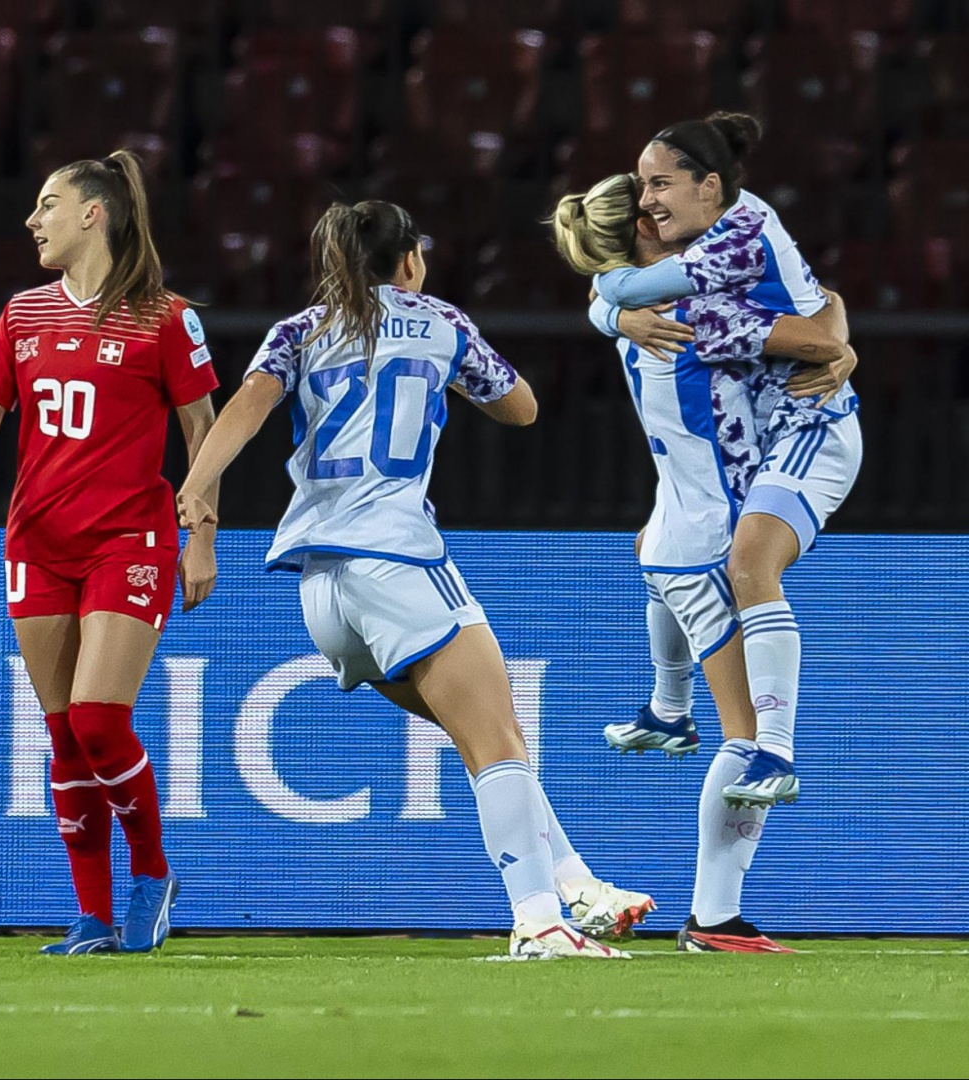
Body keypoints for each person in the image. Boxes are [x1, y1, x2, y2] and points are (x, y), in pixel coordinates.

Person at [177, 199, 653, 959]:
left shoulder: (297, 330)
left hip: (319, 586)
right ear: (408, 261)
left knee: (484, 733)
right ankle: (538, 919)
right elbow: (522, 408)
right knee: (496, 737)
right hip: (395, 558)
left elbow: (245, 409)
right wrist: (445, 379)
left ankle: (578, 885)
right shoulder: (440, 322)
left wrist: (198, 497)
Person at [0, 150, 220, 955]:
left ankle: (152, 874)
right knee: (64, 734)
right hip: (36, 541)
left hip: (128, 538)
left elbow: (202, 431)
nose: (31, 220)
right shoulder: (23, 314)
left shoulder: (165, 316)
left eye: (47, 204)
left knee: (102, 719)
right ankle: (94, 915)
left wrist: (201, 534)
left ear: (93, 214)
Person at [552, 172, 855, 951]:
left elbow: (810, 302)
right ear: (646, 242)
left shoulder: (636, 313)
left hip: (673, 536)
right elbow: (820, 336)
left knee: (720, 717)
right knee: (748, 733)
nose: (672, 212)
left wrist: (606, 308)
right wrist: (841, 349)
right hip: (703, 549)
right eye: (655, 210)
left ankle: (665, 708)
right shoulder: (694, 311)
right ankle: (715, 918)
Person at [592, 114, 862, 810]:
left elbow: (818, 335)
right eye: (642, 188)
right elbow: (822, 299)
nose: (650, 198)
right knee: (651, 545)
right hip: (763, 437)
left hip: (812, 424)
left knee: (748, 565)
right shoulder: (714, 246)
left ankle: (772, 748)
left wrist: (838, 342)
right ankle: (670, 710)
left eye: (661, 184)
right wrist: (612, 310)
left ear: (708, 186)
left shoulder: (704, 292)